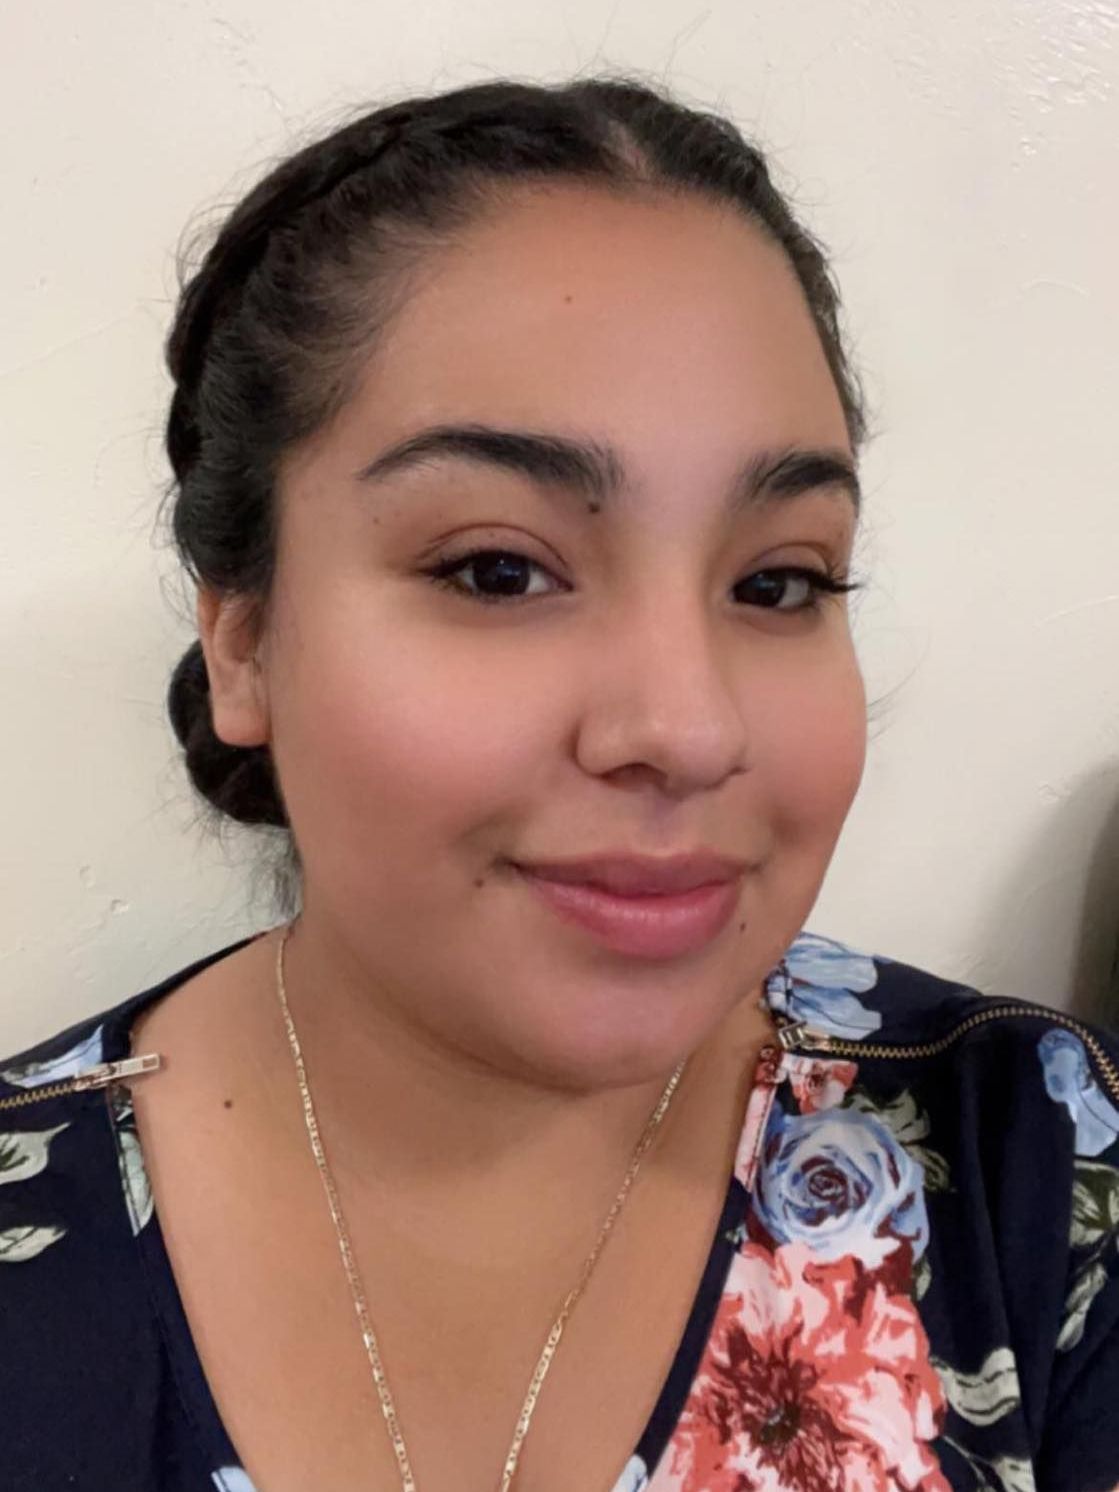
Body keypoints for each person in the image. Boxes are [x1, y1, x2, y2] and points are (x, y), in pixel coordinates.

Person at [1, 72, 1116, 1492]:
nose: (689, 727)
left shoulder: (1041, 1174)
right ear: (246, 639)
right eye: (497, 569)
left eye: (778, 582)